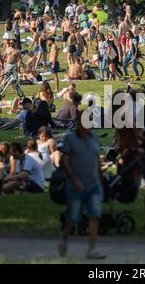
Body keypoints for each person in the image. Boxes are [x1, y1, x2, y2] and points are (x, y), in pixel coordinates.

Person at [59, 111, 106, 259]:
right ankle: (64, 238)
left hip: (93, 185)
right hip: (75, 186)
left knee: (95, 215)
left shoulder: (94, 139)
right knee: (73, 217)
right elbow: (63, 162)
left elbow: (96, 161)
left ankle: (92, 249)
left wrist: (100, 179)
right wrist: (74, 180)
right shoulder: (70, 139)